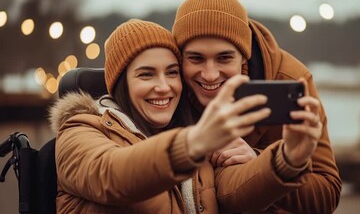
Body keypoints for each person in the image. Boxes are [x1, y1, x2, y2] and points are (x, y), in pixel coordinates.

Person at [48, 19, 271, 213]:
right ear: (120, 84)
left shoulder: (192, 140)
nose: (164, 87)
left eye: (172, 72)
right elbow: (114, 175)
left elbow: (235, 193)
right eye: (146, 75)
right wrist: (194, 143)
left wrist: (275, 161)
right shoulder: (78, 130)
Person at [172, 0, 342, 213]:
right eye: (196, 58)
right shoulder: (169, 84)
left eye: (224, 58)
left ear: (244, 55)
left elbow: (326, 196)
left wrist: (259, 159)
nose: (210, 74)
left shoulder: (291, 80)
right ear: (179, 57)